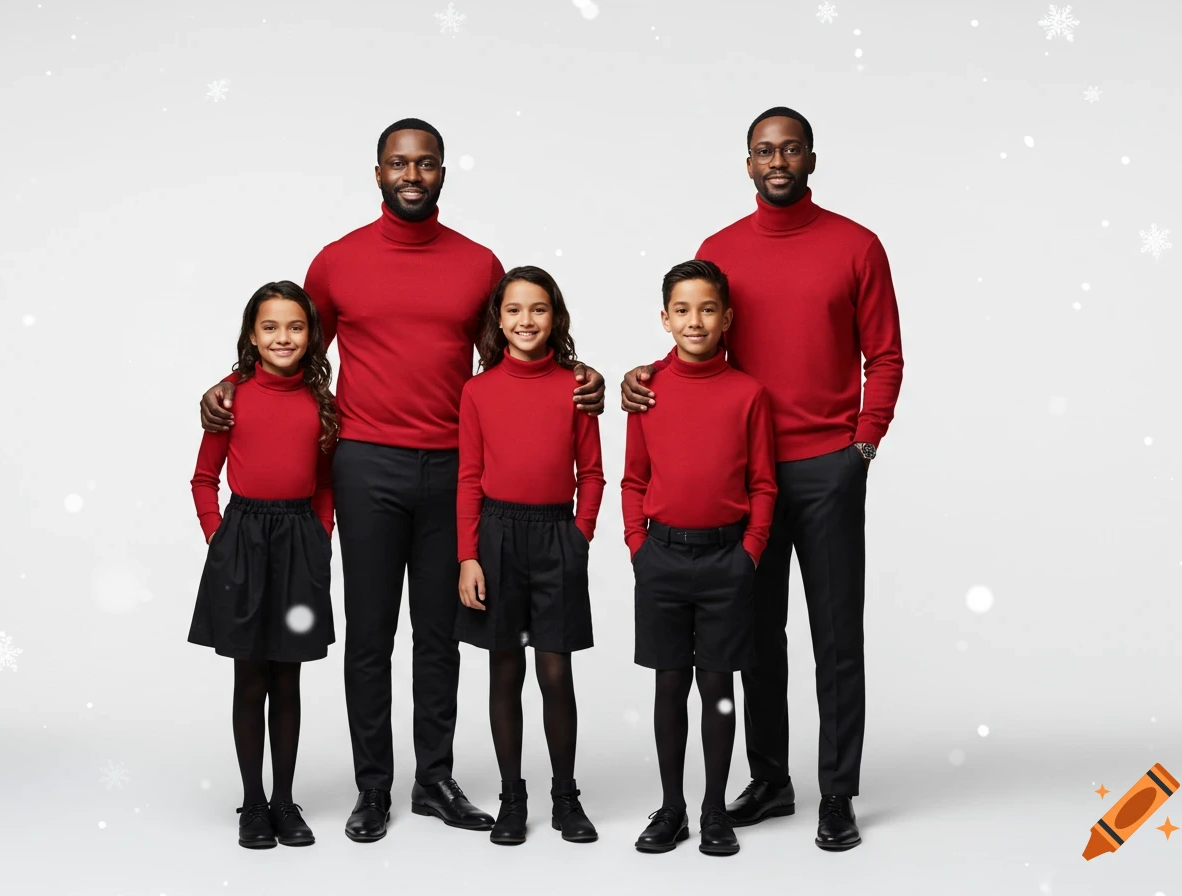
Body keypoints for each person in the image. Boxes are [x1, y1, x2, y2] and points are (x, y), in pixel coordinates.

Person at [198, 119, 607, 842]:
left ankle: (435, 780)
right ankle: (373, 786)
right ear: (378, 171)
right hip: (365, 465)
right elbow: (286, 355)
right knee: (370, 631)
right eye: (399, 163)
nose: (412, 175)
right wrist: (227, 389)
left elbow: (515, 355)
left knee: (441, 632)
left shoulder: (480, 264)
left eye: (425, 163)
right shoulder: (337, 262)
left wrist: (583, 377)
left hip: (454, 466)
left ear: (444, 171)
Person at [621, 107, 904, 851]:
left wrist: (862, 447)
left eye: (789, 150)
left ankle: (836, 793)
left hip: (827, 471)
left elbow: (887, 356)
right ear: (746, 164)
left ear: (811, 158)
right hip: (742, 482)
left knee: (836, 638)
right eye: (762, 151)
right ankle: (771, 779)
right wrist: (641, 377)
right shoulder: (718, 249)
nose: (776, 161)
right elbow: (694, 340)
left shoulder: (857, 246)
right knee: (755, 637)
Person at [623, 260, 777, 857]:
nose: (695, 320)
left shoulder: (748, 394)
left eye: (708, 309)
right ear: (665, 318)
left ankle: (715, 810)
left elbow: (763, 483)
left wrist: (750, 552)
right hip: (661, 558)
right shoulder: (648, 391)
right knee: (669, 687)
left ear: (727, 318)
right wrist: (638, 545)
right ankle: (673, 809)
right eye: (682, 310)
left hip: (725, 562)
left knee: (718, 685)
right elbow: (634, 479)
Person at [454, 266, 604, 846]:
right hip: (496, 536)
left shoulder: (576, 387)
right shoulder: (478, 391)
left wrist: (580, 535)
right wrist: (469, 555)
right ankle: (511, 796)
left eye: (538, 309)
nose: (525, 321)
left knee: (555, 671)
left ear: (555, 318)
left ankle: (565, 796)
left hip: (554, 536)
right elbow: (469, 478)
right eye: (514, 310)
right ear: (498, 318)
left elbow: (590, 473)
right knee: (504, 670)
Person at [188, 281, 338, 849]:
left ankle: (284, 800)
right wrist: (219, 538)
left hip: (299, 538)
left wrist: (321, 538)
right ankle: (252, 802)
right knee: (250, 677)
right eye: (270, 327)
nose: (283, 337)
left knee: (288, 675)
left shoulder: (321, 403)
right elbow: (204, 478)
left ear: (311, 336)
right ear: (252, 336)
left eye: (295, 327)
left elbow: (324, 484)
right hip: (244, 540)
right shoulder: (230, 398)